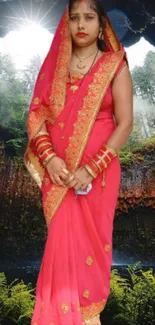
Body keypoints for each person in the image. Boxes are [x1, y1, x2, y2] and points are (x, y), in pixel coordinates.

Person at [24, 0, 133, 324]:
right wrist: (51, 159)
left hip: (97, 176)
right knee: (61, 247)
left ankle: (87, 319)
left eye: (89, 17)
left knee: (92, 250)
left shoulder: (115, 64)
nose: (81, 24)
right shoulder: (55, 68)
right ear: (66, 23)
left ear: (102, 25)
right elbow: (36, 116)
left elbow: (124, 123)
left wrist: (91, 167)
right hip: (58, 175)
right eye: (74, 18)